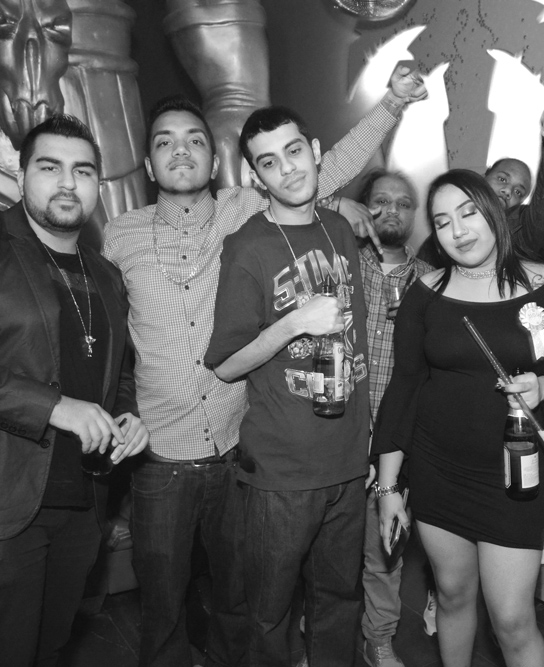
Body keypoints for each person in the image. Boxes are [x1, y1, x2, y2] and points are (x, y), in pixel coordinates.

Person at [103, 65, 424, 667]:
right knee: (164, 606)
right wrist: (113, 411)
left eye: (195, 140)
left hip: (234, 445)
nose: (181, 151)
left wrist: (392, 103)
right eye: (166, 142)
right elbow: (107, 340)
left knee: (242, 603)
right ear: (147, 164)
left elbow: (320, 167)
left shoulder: (243, 208)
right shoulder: (119, 237)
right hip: (161, 450)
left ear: (217, 163)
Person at [373, 169, 544, 667]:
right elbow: (405, 387)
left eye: (468, 213)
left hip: (514, 479)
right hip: (438, 471)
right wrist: (389, 487)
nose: (458, 231)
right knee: (452, 595)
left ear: (494, 212)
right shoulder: (425, 293)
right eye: (442, 221)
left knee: (512, 620)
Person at [0, 115, 149, 666]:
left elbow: (117, 373)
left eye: (82, 171)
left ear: (97, 186)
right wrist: (55, 407)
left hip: (82, 509)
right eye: (50, 167)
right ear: (20, 178)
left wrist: (128, 416)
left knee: (51, 650)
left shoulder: (106, 274)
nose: (67, 182)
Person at [204, 106, 371, 666]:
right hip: (282, 472)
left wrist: (368, 439)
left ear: (316, 150)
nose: (288, 169)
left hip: (347, 458)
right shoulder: (246, 246)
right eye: (269, 162)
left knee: (340, 604)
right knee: (269, 616)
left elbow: (357, 342)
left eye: (294, 151)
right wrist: (294, 322)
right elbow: (226, 365)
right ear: (256, 177)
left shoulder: (339, 229)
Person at [356, 170, 434, 667]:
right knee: (322, 549)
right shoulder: (339, 263)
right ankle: (321, 630)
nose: (392, 211)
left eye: (403, 204)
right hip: (334, 434)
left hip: (397, 444)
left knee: (385, 550)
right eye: (380, 201)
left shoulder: (430, 281)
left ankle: (379, 638)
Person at [417, 103, 544, 263]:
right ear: (485, 176)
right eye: (502, 179)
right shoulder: (448, 222)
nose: (507, 191)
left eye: (518, 192)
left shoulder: (522, 231)